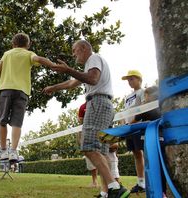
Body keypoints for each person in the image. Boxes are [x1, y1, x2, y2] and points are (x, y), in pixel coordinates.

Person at [43, 40, 129, 198]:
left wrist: (68, 69)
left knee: (88, 146)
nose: (73, 54)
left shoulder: (94, 59)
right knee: (102, 151)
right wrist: (54, 87)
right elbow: (72, 82)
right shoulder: (90, 65)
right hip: (105, 104)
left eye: (74, 50)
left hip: (98, 103)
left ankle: (115, 188)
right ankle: (106, 192)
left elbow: (92, 79)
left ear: (84, 48)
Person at [0, 33, 56, 161]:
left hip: (5, 89)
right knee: (17, 122)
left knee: (2, 120)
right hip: (22, 91)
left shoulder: (7, 54)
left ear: (13, 44)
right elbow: (38, 59)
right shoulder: (29, 54)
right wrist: (53, 65)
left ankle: (4, 150)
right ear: (28, 45)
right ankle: (13, 152)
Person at [121, 70, 146, 193]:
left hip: (139, 126)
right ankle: (140, 183)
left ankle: (148, 181)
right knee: (136, 154)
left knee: (144, 152)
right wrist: (122, 125)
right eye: (128, 80)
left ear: (139, 79)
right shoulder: (127, 97)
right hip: (128, 128)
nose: (129, 82)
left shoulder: (143, 92)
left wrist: (135, 121)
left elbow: (145, 108)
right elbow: (124, 112)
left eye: (132, 79)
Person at [78, 102, 99, 188]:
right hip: (87, 133)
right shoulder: (82, 107)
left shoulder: (99, 103)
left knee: (101, 155)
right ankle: (94, 181)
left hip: (98, 131)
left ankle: (108, 181)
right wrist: (80, 138)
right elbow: (80, 121)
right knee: (89, 157)